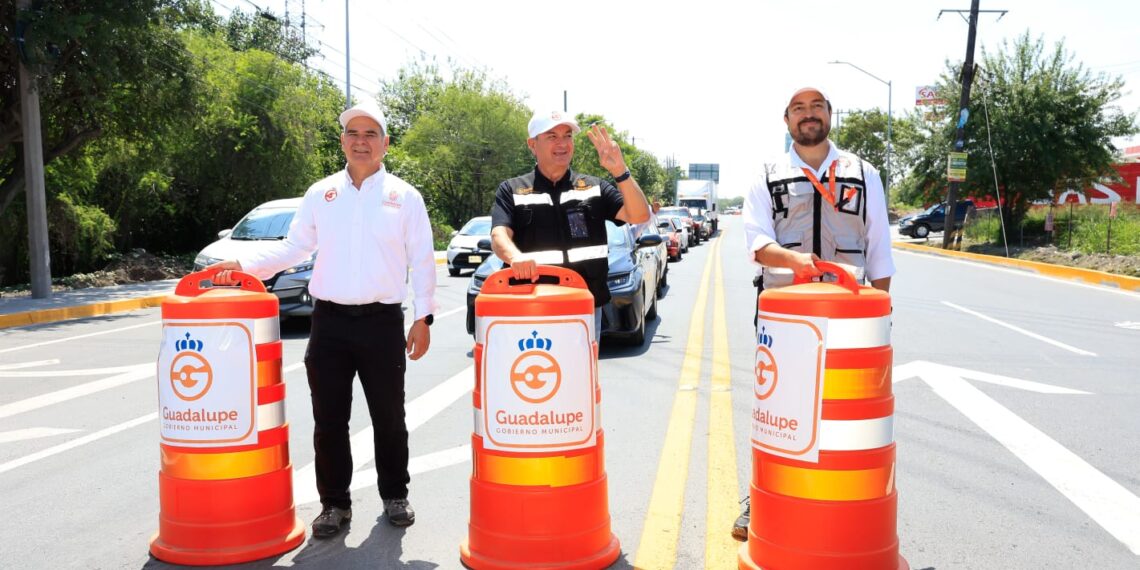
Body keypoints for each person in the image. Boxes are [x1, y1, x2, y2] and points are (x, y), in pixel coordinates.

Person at [206, 101, 437, 537]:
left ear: (385, 143)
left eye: (371, 134)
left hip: (382, 322)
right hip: (329, 322)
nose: (361, 142)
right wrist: (243, 265)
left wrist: (422, 317)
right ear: (342, 142)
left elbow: (422, 260)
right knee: (329, 418)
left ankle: (395, 494)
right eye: (353, 133)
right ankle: (334, 504)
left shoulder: (404, 197)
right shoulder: (321, 194)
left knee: (389, 415)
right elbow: (294, 248)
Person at [735, 86, 896, 541]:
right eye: (799, 109)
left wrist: (880, 319)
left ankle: (843, 499)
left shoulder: (863, 173)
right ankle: (762, 497)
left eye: (817, 107)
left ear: (830, 116)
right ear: (786, 120)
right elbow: (756, 243)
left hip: (852, 320)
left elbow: (879, 250)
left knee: (846, 415)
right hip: (788, 322)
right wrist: (793, 262)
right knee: (780, 413)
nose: (809, 116)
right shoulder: (766, 175)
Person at [490, 111, 651, 334]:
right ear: (532, 144)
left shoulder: (595, 187)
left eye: (567, 136)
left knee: (580, 370)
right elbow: (499, 236)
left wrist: (619, 171)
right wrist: (515, 257)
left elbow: (639, 215)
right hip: (532, 309)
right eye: (552, 137)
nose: (562, 144)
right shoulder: (512, 190)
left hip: (583, 310)